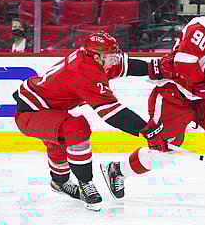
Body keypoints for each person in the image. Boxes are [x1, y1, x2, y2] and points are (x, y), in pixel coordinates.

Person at [101, 0, 205, 201]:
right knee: (162, 156)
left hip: (199, 98)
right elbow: (184, 62)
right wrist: (202, 83)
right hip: (174, 96)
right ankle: (117, 170)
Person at [12, 31, 160, 211]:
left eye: (114, 53)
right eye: (110, 56)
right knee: (76, 128)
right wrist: (147, 129)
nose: (115, 59)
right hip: (30, 113)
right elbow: (112, 112)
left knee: (60, 135)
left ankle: (60, 183)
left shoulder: (93, 58)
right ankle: (85, 183)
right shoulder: (85, 71)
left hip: (49, 108)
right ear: (97, 57)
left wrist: (160, 69)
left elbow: (128, 66)